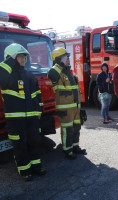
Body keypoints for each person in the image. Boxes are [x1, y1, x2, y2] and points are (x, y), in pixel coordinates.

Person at [0, 43, 46, 181]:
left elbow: (37, 94)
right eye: (20, 57)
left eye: (24, 57)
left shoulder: (29, 74)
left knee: (34, 142)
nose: (23, 60)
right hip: (15, 118)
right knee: (20, 145)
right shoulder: (6, 75)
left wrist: (39, 110)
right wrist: (10, 59)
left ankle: (36, 167)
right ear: (11, 58)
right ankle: (25, 171)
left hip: (32, 116)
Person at [47, 47, 86, 160]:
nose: (68, 59)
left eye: (68, 57)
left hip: (75, 108)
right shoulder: (56, 73)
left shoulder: (69, 73)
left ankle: (75, 147)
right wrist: (60, 64)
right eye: (66, 57)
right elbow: (51, 75)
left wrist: (80, 107)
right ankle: (67, 150)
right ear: (59, 59)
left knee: (76, 128)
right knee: (67, 130)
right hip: (65, 109)